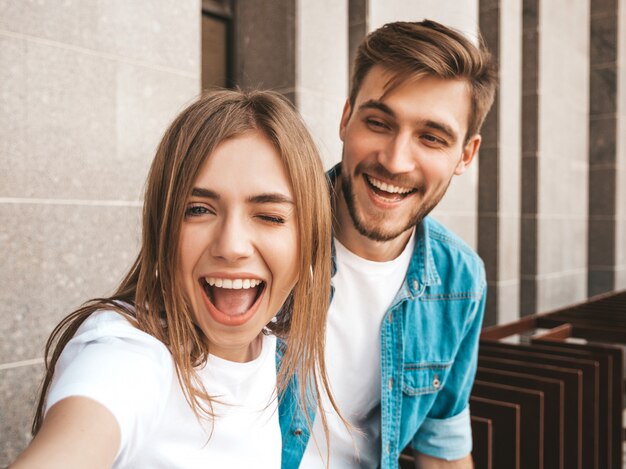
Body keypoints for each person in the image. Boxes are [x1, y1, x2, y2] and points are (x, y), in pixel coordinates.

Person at [11, 89, 341, 468]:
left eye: (269, 216)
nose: (231, 246)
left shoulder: (272, 349)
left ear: (309, 241)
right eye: (198, 209)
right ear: (162, 227)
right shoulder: (129, 352)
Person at [280, 20, 497, 468]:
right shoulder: (267, 236)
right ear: (346, 119)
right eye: (379, 122)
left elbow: (444, 447)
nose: (396, 161)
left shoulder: (460, 278)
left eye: (431, 138)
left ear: (466, 155)